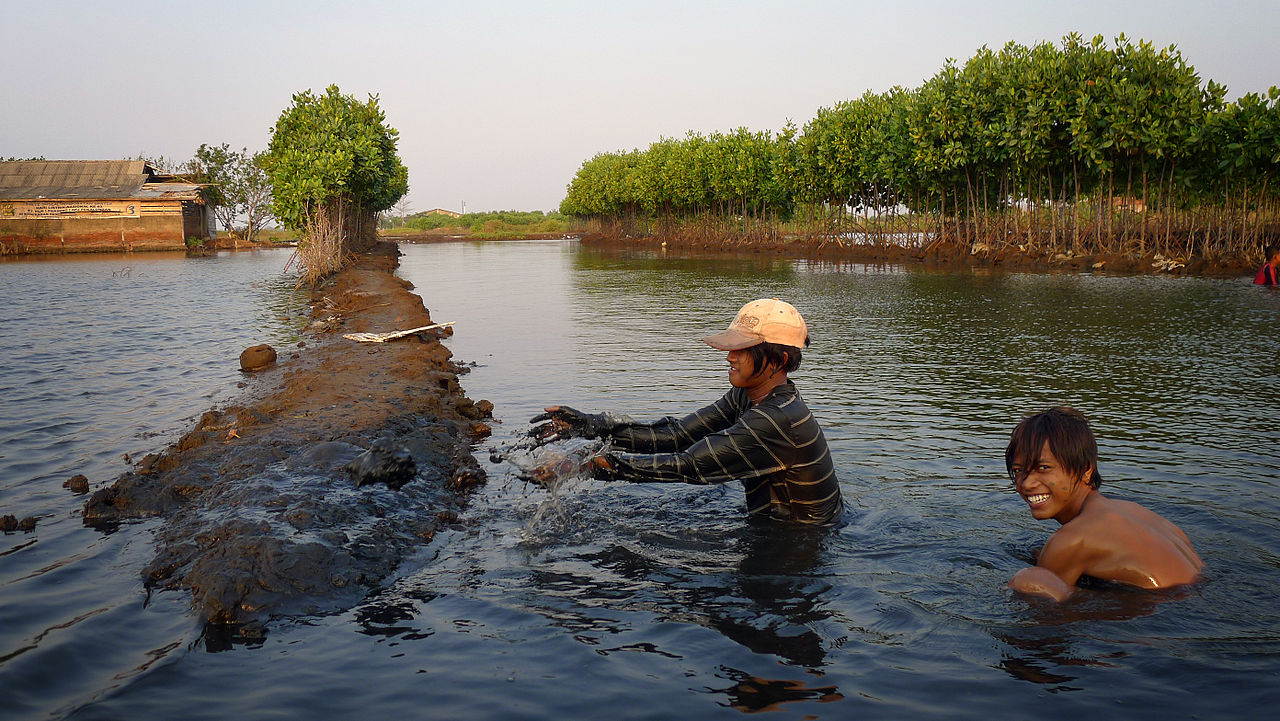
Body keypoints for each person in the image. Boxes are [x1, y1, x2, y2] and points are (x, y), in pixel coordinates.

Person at [531, 298, 843, 526]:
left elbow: (689, 465)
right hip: (774, 532)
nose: (730, 356)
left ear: (779, 360)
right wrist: (592, 425)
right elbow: (677, 435)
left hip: (798, 549)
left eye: (744, 350)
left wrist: (589, 466)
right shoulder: (748, 397)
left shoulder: (778, 419)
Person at [1005, 406, 1203, 602]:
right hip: (1198, 593)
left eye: (1044, 468)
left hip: (1166, 616)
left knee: (1029, 581)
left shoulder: (1071, 540)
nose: (1026, 483)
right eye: (1019, 470)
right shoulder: (1134, 511)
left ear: (1086, 470)